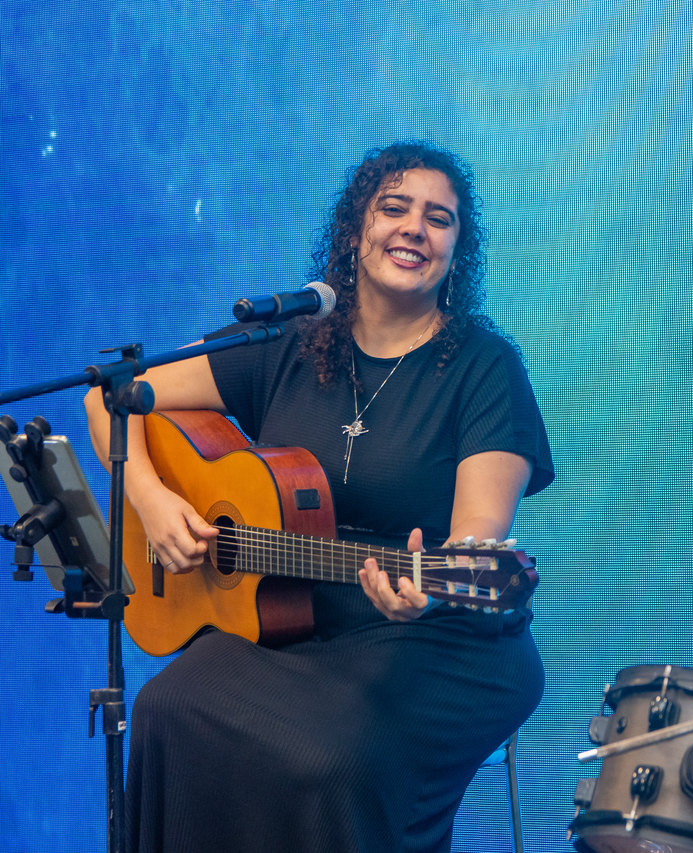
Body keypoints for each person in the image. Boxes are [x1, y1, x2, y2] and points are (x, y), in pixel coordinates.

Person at [84, 141, 554, 853]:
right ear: (355, 230)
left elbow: (476, 535)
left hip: (437, 634)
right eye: (393, 208)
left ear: (457, 251)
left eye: (439, 219)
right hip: (291, 619)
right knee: (165, 706)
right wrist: (150, 499)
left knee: (327, 762)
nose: (414, 228)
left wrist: (429, 590)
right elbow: (109, 395)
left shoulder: (485, 366)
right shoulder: (290, 342)